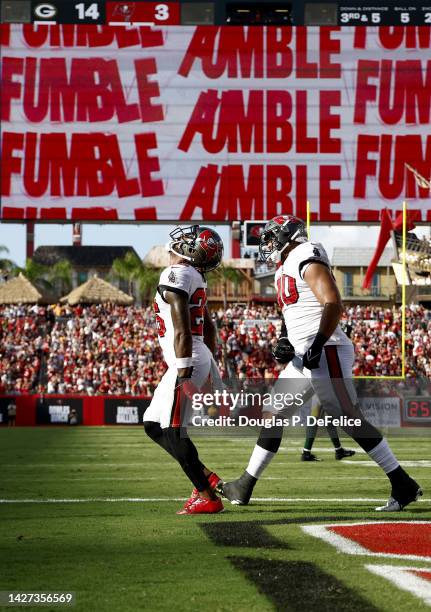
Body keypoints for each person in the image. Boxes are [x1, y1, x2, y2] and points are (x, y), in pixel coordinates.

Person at [220, 215, 422, 512]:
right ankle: (244, 486)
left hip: (325, 348)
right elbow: (296, 312)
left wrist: (315, 345)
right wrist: (286, 339)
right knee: (272, 415)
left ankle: (401, 482)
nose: (268, 244)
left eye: (272, 237)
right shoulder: (281, 270)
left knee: (347, 417)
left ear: (289, 236)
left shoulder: (305, 254)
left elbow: (333, 303)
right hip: (305, 354)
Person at [144, 225, 225, 515]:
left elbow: (181, 330)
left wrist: (185, 369)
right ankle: (206, 476)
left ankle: (208, 498)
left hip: (187, 357)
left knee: (174, 430)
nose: (179, 242)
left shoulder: (176, 273)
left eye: (187, 240)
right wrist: (208, 365)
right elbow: (210, 327)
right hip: (194, 355)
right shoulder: (196, 277)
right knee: (153, 425)